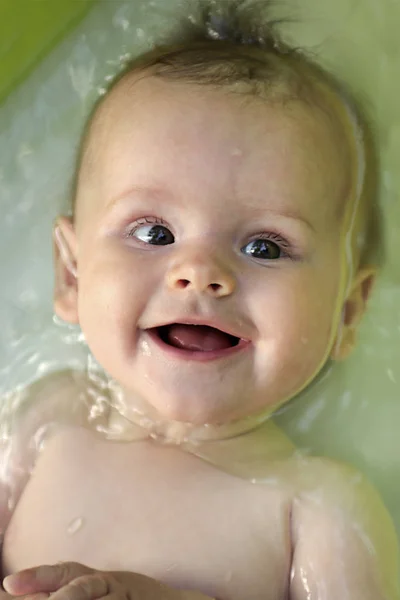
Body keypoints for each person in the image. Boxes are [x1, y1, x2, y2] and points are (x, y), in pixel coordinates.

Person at [0, 1, 398, 599]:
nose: (200, 273)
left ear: (346, 310)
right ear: (72, 275)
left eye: (265, 246)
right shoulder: (43, 418)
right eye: (154, 234)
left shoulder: (319, 508)